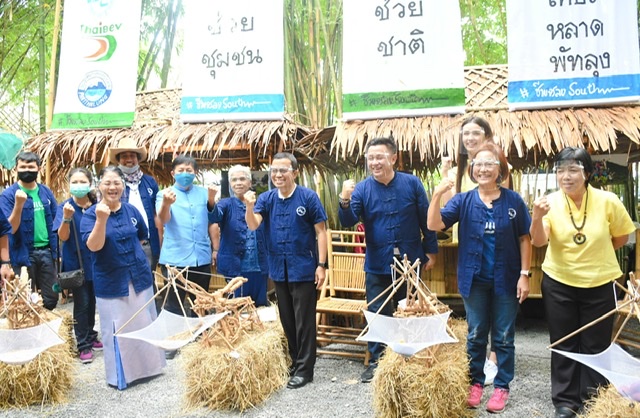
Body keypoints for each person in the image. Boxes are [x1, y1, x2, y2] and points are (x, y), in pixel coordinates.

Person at [530, 147, 635, 418]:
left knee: (596, 344)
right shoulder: (550, 203)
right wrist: (537, 216)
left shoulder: (608, 200)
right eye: (560, 170)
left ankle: (593, 399)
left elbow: (622, 236)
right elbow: (539, 241)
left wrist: (595, 255)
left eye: (573, 170)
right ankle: (565, 402)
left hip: (600, 283)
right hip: (559, 283)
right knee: (563, 342)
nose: (566, 176)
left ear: (587, 173)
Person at [428, 142, 531, 413]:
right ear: (472, 169)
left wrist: (524, 275)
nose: (483, 169)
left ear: (500, 169)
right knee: (475, 334)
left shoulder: (514, 201)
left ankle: (502, 387)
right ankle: (475, 382)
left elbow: (525, 238)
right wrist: (437, 195)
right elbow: (434, 225)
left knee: (504, 335)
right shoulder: (463, 200)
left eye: (489, 164)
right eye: (478, 164)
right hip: (474, 280)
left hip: (507, 279)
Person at [338, 137, 438, 383]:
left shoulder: (412, 183)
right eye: (370, 158)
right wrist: (344, 199)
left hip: (410, 260)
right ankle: (377, 362)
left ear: (393, 158)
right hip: (377, 262)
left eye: (379, 157)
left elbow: (426, 219)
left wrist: (431, 250)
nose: (374, 162)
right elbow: (348, 220)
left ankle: (410, 359)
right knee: (377, 312)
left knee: (410, 308)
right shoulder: (362, 189)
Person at [245, 152, 328, 390]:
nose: (278, 175)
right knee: (287, 319)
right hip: (278, 269)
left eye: (283, 170)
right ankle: (295, 362)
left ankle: (305, 370)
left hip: (303, 267)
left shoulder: (308, 197)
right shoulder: (267, 198)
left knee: (304, 321)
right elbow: (253, 224)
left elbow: (321, 232)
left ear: (295, 172)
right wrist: (249, 206)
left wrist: (321, 265)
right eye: (274, 171)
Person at [80, 166, 165, 389]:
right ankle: (121, 376)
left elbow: (142, 236)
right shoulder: (90, 215)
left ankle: (150, 368)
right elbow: (93, 246)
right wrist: (101, 220)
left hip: (139, 276)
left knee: (144, 321)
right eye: (107, 183)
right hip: (110, 280)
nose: (112, 187)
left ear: (123, 186)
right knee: (116, 328)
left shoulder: (131, 210)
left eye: (117, 183)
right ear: (99, 185)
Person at [442, 116, 501, 384]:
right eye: (465, 134)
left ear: (487, 136)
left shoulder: (498, 166)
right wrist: (445, 176)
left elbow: (506, 204)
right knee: (476, 312)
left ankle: (494, 359)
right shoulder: (459, 171)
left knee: (499, 309)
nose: (470, 138)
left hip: (496, 246)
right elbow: (447, 211)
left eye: (476, 133)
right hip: (469, 244)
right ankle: (477, 360)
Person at [156, 155, 216, 337]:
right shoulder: (164, 194)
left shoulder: (205, 193)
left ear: (195, 172)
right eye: (180, 170)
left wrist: (215, 248)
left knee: (202, 302)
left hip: (201, 258)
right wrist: (166, 204)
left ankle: (202, 338)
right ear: (173, 173)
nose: (185, 174)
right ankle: (175, 339)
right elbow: (163, 220)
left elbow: (213, 221)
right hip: (175, 260)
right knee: (175, 304)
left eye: (189, 170)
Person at [53, 168, 102, 364]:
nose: (79, 185)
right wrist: (66, 217)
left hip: (96, 262)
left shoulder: (97, 207)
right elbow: (62, 236)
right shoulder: (65, 207)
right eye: (75, 182)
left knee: (93, 301)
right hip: (76, 264)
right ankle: (82, 344)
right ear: (69, 184)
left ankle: (90, 333)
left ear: (90, 184)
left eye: (83, 182)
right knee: (82, 303)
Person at [0, 152, 58, 310]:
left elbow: (56, 221)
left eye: (31, 167)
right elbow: (9, 228)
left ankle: (47, 322)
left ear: (38, 169)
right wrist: (18, 205)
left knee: (51, 298)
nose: (27, 170)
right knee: (25, 299)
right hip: (22, 253)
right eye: (23, 167)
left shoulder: (46, 192)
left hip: (47, 252)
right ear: (16, 169)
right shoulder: (8, 196)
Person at [108, 138, 162, 307]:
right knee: (124, 281)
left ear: (138, 159)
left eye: (132, 155)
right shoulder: (113, 184)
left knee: (147, 280)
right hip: (122, 242)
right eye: (124, 156)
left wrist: (160, 241)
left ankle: (149, 315)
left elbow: (156, 214)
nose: (129, 159)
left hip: (146, 242)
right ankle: (128, 315)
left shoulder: (149, 182)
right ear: (118, 160)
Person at [210, 165, 269, 306]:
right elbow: (215, 216)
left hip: (259, 266)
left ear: (250, 182)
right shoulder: (226, 204)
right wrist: (211, 199)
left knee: (259, 304)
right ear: (230, 183)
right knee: (236, 305)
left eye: (242, 179)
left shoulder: (261, 203)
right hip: (234, 267)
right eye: (234, 180)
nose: (238, 183)